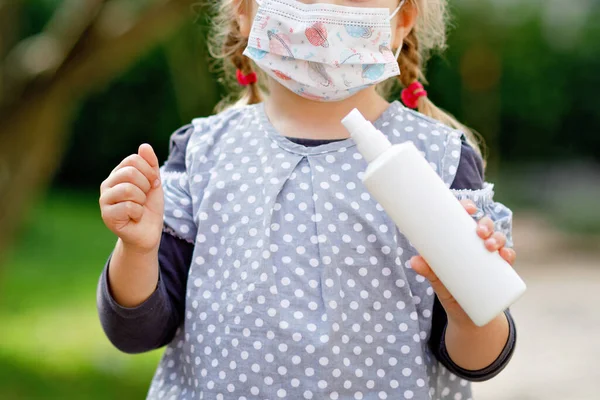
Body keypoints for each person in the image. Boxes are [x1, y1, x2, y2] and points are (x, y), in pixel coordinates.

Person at [97, 0, 518, 399]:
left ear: (401, 19)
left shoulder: (439, 163)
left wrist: (466, 309)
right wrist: (137, 248)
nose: (324, 10)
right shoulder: (202, 154)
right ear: (243, 13)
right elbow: (137, 333)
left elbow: (478, 360)